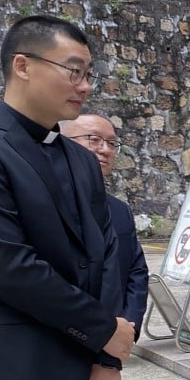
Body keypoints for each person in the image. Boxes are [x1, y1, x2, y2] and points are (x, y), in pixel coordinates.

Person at [0, 15, 135, 380]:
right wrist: (104, 332)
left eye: (89, 73)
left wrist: (106, 362)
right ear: (22, 66)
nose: (85, 85)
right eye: (73, 70)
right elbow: (9, 267)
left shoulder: (78, 159)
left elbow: (106, 260)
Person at [61, 112, 149, 340]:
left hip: (113, 338)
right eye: (94, 139)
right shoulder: (43, 203)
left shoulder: (120, 210)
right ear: (62, 142)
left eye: (112, 143)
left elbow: (136, 272)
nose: (105, 149)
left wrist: (129, 326)